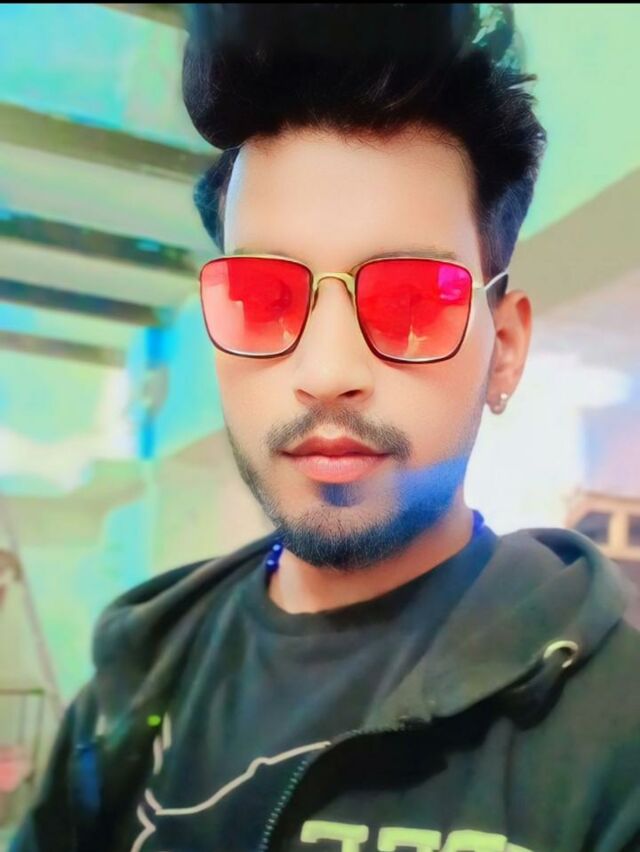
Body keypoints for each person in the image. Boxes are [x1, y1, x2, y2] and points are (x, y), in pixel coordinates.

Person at [11, 5, 640, 852]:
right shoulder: (127, 692)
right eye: (262, 296)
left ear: (505, 350)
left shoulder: (614, 739)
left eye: (413, 300)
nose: (326, 368)